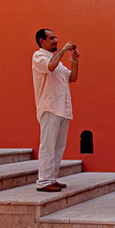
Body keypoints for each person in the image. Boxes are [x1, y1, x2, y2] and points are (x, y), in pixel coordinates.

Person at [32, 28, 79, 192]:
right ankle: (43, 181)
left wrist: (74, 60)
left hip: (62, 109)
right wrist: (64, 50)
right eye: (51, 38)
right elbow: (49, 67)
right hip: (50, 107)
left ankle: (52, 178)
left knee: (59, 146)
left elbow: (72, 78)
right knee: (48, 145)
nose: (55, 40)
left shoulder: (57, 61)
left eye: (56, 38)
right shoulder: (39, 56)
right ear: (41, 41)